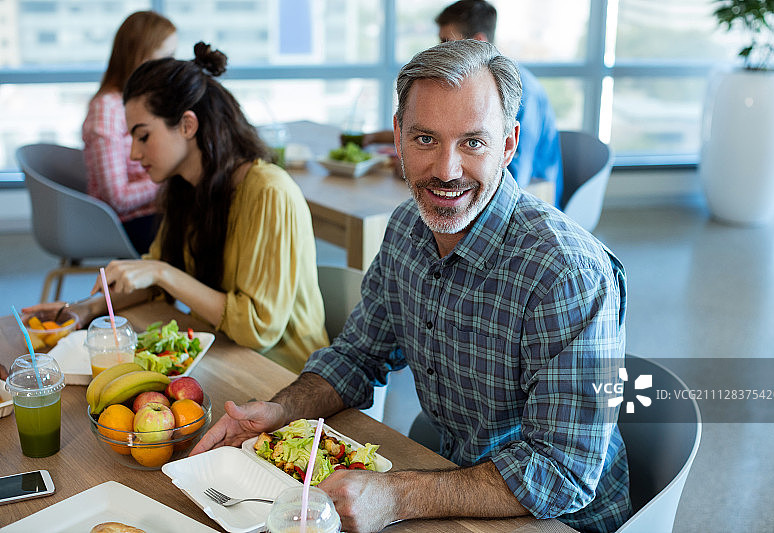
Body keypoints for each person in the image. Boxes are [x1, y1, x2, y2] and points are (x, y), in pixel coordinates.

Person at [192, 39, 629, 533]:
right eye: (425, 139)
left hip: (562, 520)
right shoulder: (406, 228)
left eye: (473, 142)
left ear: (508, 145)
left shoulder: (565, 272)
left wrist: (399, 496)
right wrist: (278, 409)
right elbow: (358, 356)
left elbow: (562, 473)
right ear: (397, 136)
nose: (446, 171)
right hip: (457, 482)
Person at [29, 43, 329, 374]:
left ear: (187, 125)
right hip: (222, 359)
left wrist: (163, 271)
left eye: (142, 136)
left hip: (283, 375)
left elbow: (258, 330)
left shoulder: (270, 191)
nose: (132, 153)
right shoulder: (185, 188)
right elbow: (155, 283)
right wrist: (87, 309)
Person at [364, 0, 563, 207]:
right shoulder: (460, 88)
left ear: (478, 41)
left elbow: (510, 175)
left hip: (532, 200)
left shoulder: (520, 92)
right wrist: (377, 138)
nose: (440, 49)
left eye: (446, 41)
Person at [82, 11, 177, 254]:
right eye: (166, 56)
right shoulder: (107, 109)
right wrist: (168, 178)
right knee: (205, 235)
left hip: (150, 212)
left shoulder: (140, 101)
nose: (171, 65)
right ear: (140, 55)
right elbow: (118, 199)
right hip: (124, 223)